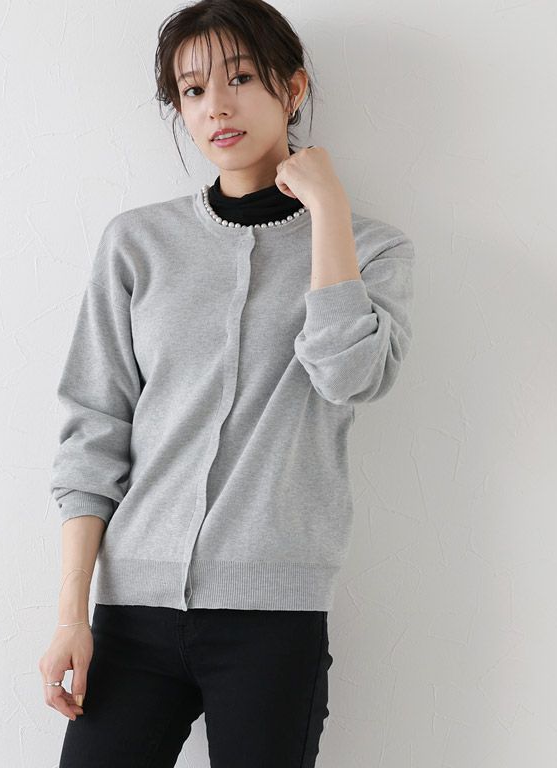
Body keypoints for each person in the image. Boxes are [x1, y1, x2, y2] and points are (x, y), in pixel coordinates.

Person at [38, 1, 415, 766]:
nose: (217, 106)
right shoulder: (137, 244)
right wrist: (71, 614)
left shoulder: (372, 249)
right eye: (193, 89)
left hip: (272, 621)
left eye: (240, 78)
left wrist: (329, 208)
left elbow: (348, 377)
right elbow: (93, 433)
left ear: (293, 88)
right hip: (131, 615)